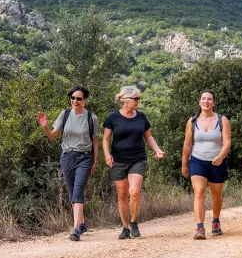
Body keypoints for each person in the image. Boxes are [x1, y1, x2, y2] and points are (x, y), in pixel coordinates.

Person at [36, 84, 99, 241]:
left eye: (79, 98)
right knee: (72, 192)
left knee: (78, 189)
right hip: (67, 157)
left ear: (84, 100)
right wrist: (45, 127)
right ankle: (82, 223)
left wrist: (96, 161)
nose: (75, 101)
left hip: (85, 158)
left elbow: (95, 141)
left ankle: (76, 229)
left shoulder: (92, 118)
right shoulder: (64, 115)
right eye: (73, 98)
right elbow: (52, 137)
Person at [103, 86, 165, 239]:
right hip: (118, 160)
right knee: (122, 195)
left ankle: (133, 221)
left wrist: (157, 150)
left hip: (138, 158)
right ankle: (125, 228)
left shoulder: (141, 117)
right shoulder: (113, 117)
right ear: (125, 100)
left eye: (139, 98)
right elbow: (105, 139)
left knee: (135, 191)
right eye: (136, 98)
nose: (138, 101)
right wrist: (107, 154)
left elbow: (148, 137)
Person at [181, 90, 231, 240]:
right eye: (203, 99)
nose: (206, 101)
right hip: (197, 160)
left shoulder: (222, 120)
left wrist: (221, 156)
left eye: (209, 99)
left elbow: (227, 142)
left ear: (213, 103)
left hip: (217, 162)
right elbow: (187, 144)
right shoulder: (192, 121)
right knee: (199, 192)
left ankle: (215, 221)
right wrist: (184, 164)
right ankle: (199, 228)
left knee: (216, 196)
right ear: (199, 101)